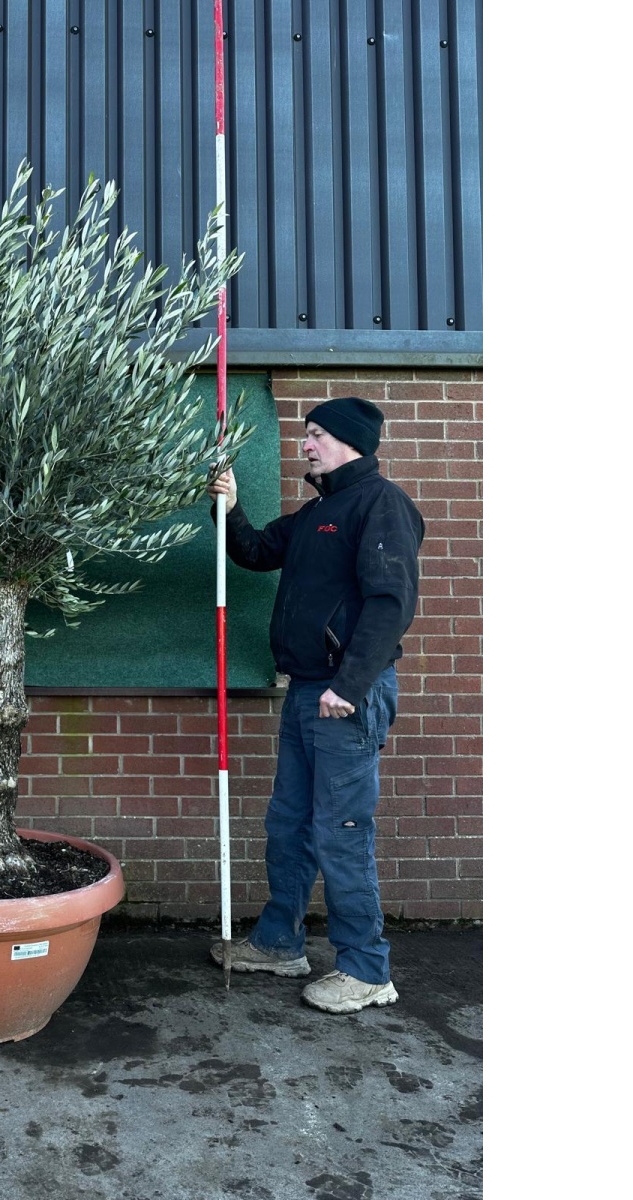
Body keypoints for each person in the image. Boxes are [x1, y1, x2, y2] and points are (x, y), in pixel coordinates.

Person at [207, 395, 425, 1014]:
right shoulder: (316, 515)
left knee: (341, 830)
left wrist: (348, 687)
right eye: (305, 435)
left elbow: (390, 605)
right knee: (290, 825)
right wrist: (228, 507)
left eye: (316, 435)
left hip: (344, 698)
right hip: (306, 692)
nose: (305, 444)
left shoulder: (382, 506)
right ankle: (280, 943)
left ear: (352, 442)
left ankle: (366, 969)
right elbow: (252, 552)